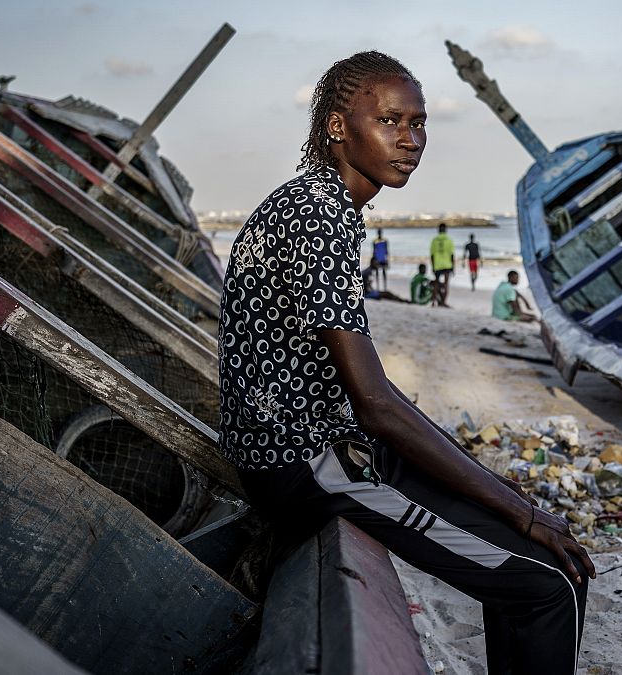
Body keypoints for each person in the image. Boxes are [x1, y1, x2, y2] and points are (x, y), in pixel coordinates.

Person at [217, 51, 592, 674]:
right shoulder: (318, 217)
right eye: (391, 122)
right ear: (339, 127)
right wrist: (519, 508)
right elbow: (374, 401)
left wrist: (504, 496)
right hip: (306, 465)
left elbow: (372, 399)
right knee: (548, 585)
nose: (412, 140)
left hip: (335, 443)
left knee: (549, 561)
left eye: (419, 124)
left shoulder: (318, 204)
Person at [430, 222, 454, 307]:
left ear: (438, 230)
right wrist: (453, 267)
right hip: (447, 264)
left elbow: (432, 255)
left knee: (436, 284)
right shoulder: (449, 240)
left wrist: (432, 266)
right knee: (446, 284)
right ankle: (443, 302)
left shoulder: (434, 240)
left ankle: (433, 302)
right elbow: (451, 255)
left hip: (437, 264)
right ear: (446, 230)